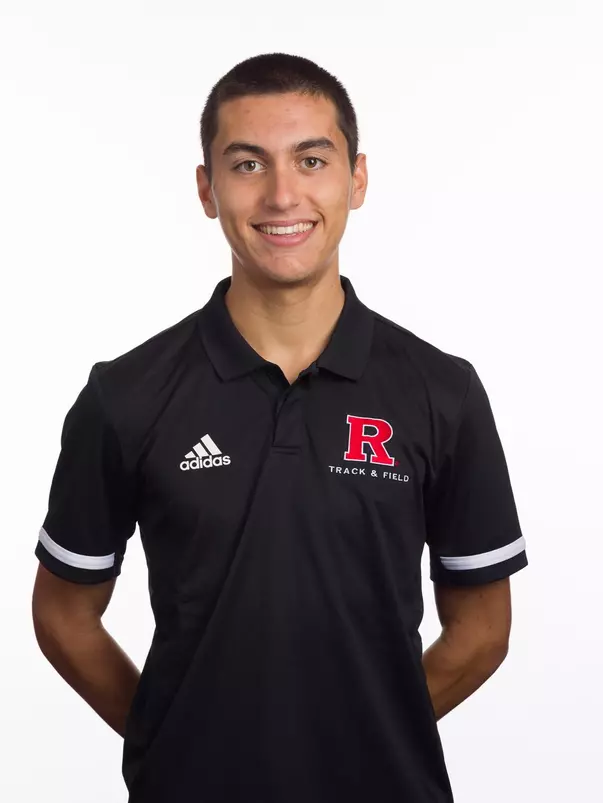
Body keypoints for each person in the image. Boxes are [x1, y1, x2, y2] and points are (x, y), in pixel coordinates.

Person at [32, 52, 528, 803]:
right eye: (246, 163)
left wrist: (370, 732)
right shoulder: (125, 395)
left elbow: (483, 628)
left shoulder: (440, 391)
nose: (281, 194)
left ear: (356, 179)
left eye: (311, 159)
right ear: (206, 188)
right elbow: (63, 613)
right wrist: (171, 731)